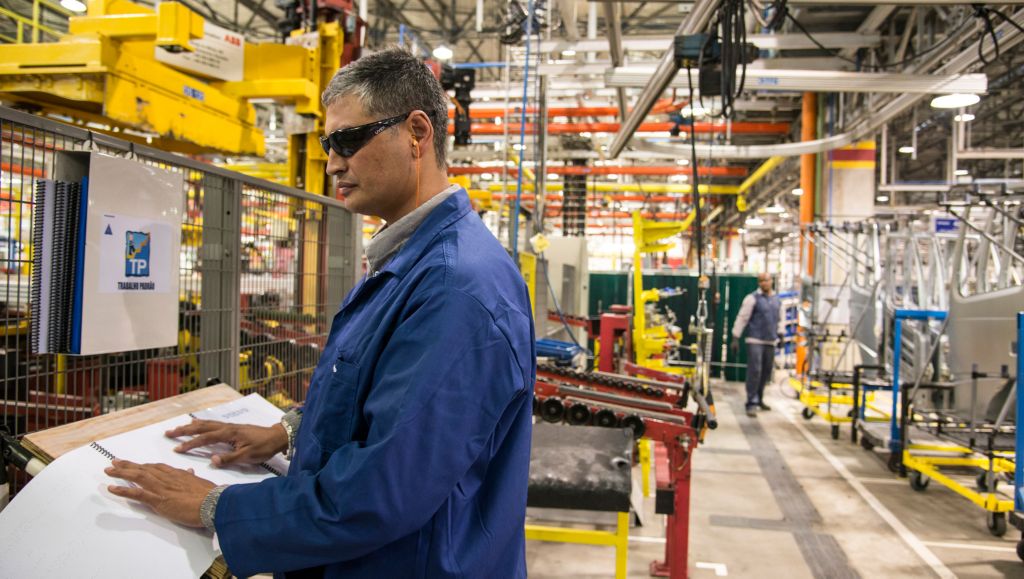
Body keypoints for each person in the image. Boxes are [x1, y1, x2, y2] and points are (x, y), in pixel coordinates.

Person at [104, 47, 536, 578]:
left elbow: (383, 490)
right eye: (327, 144)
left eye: (349, 140)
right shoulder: (413, 261)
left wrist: (215, 506)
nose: (333, 162)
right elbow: (386, 407)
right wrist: (290, 433)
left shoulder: (454, 288)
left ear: (417, 133)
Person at [730, 272, 785, 417]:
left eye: (766, 280)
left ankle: (759, 398)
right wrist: (736, 336)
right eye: (761, 281)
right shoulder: (752, 298)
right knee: (755, 371)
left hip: (770, 341)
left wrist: (781, 334)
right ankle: (751, 402)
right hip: (755, 340)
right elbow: (742, 317)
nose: (764, 283)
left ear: (771, 281)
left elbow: (780, 319)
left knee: (766, 372)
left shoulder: (777, 300)